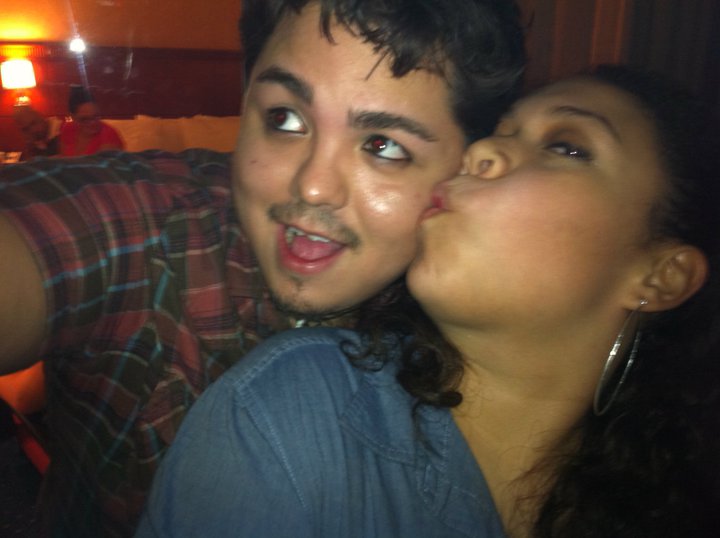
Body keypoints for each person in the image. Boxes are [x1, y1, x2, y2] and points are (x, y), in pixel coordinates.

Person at [0, 0, 526, 535]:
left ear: (468, 169)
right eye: (285, 118)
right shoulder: (149, 228)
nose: (313, 186)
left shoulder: (492, 323)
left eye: (383, 145)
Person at [137, 65, 720, 537]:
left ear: (661, 276)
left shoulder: (661, 507)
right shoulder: (297, 415)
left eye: (566, 148)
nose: (482, 151)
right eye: (501, 132)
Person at [59, 85, 125, 156]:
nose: (93, 123)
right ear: (73, 117)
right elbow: (63, 157)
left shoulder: (109, 135)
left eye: (96, 116)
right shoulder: (67, 129)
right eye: (85, 119)